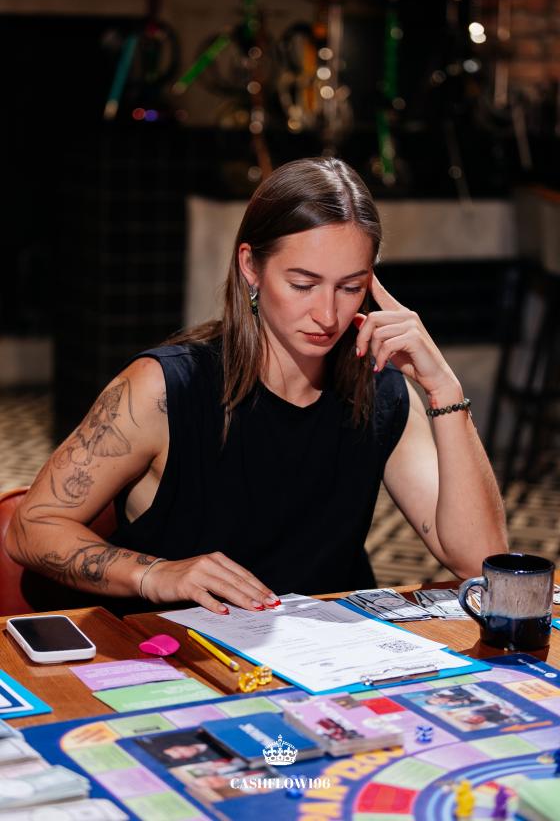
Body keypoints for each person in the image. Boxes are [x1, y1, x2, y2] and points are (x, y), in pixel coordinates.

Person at [6, 157, 508, 614]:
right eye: (303, 284)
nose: (327, 314)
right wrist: (154, 573)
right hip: (184, 658)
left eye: (350, 287)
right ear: (251, 266)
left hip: (329, 662)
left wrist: (444, 389)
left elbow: (480, 561)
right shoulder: (163, 389)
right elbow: (31, 528)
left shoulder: (381, 392)